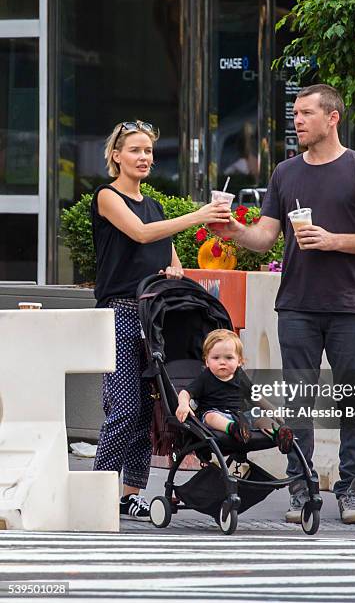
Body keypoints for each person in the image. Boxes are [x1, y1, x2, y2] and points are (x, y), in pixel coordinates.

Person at [212, 84, 355, 524]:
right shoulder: (285, 173)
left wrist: (334, 240)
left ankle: (351, 490)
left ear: (332, 117)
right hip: (295, 304)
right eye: (295, 113)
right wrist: (235, 233)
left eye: (306, 113)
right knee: (298, 403)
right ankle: (301, 490)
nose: (297, 120)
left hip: (349, 304)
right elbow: (264, 236)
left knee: (351, 399)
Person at [92, 120, 231, 521]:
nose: (144, 158)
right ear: (116, 156)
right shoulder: (107, 196)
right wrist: (198, 215)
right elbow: (139, 234)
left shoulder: (154, 205)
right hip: (119, 310)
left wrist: (174, 273)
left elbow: (174, 263)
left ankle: (130, 493)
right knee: (123, 405)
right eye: (135, 150)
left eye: (149, 152)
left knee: (149, 407)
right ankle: (99, 486)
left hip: (155, 314)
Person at [175, 329, 294, 454]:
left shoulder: (240, 375)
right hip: (217, 414)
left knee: (260, 416)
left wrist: (272, 410)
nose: (222, 362)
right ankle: (233, 429)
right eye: (216, 358)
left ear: (239, 361)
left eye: (229, 358)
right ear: (207, 361)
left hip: (240, 416)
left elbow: (255, 396)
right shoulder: (206, 377)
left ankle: (279, 434)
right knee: (211, 416)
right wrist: (183, 405)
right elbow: (186, 392)